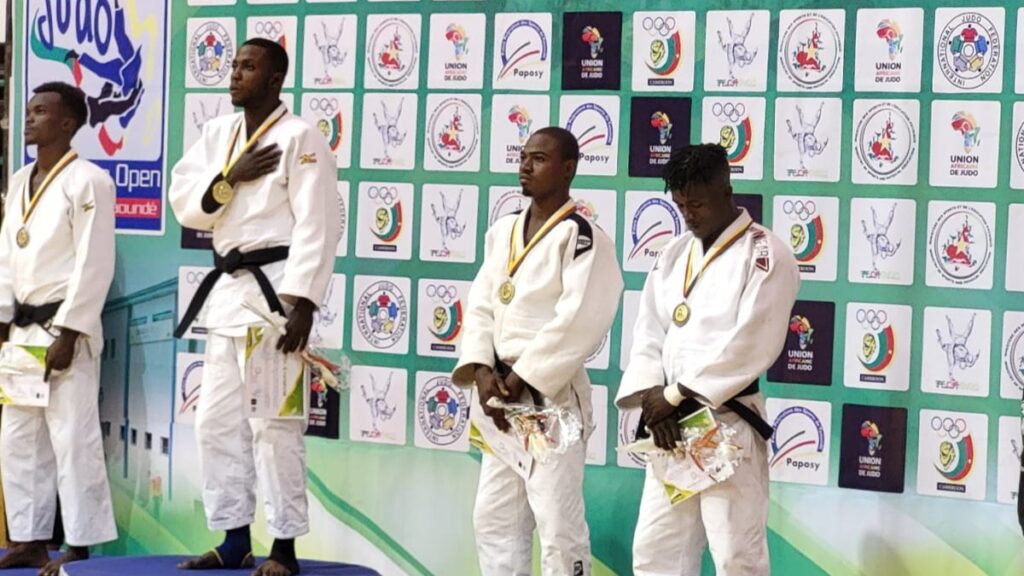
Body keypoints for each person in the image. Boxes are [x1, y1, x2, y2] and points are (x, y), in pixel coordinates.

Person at [169, 38, 339, 576]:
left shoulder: (301, 138)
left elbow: (319, 223)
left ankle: (284, 546)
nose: (235, 74)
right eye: (234, 65)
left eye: (248, 66)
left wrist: (303, 301)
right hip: (228, 295)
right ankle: (234, 537)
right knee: (214, 423)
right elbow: (187, 206)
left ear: (275, 79)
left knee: (274, 424)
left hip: (276, 297)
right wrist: (230, 178)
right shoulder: (218, 134)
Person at [616, 143, 800, 576]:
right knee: (656, 551)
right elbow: (649, 331)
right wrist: (654, 398)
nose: (688, 215)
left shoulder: (765, 254)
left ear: (726, 191)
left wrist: (676, 395)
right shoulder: (674, 253)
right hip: (672, 427)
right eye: (680, 205)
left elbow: (751, 342)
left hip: (726, 424)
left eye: (696, 204)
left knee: (736, 555)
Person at [452, 127, 623, 576]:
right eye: (524, 157)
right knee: (494, 518)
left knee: (557, 522)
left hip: (551, 400)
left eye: (539, 159)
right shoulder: (503, 230)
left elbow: (579, 320)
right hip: (501, 399)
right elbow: (482, 303)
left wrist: (522, 377)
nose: (526, 166)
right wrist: (482, 371)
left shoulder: (583, 238)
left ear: (568, 169)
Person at [0, 82, 117, 575]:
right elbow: (7, 254)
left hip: (62, 328)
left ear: (68, 124)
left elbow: (95, 260)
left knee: (72, 439)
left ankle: (80, 545)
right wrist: (3, 321)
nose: (30, 118)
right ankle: (29, 538)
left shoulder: (89, 181)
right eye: (29, 110)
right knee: (18, 437)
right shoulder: (20, 179)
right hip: (23, 330)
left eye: (41, 111)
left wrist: (70, 331)